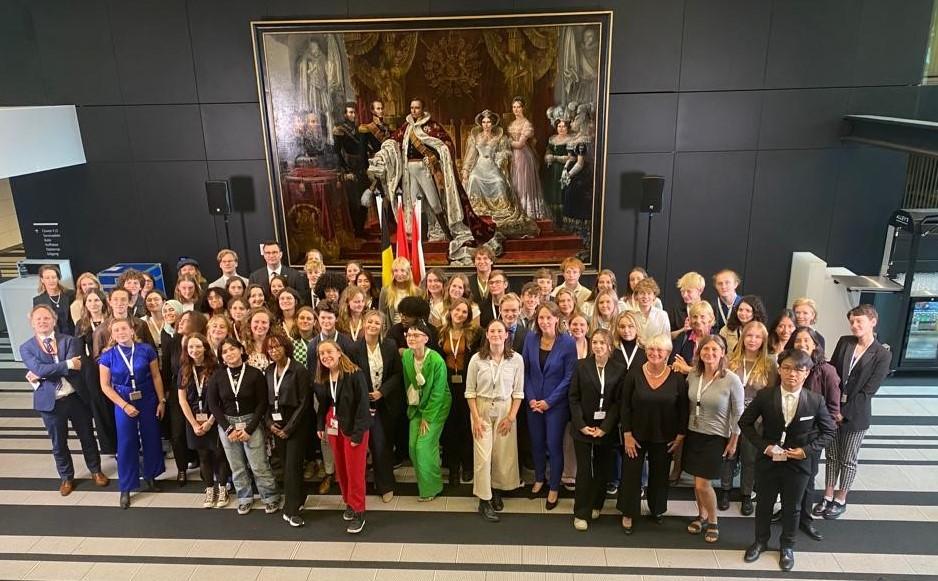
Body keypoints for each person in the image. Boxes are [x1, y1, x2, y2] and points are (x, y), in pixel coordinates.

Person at [740, 349, 836, 572]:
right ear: (780, 370)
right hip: (769, 461)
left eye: (799, 369)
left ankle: (787, 546)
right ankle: (760, 541)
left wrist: (806, 451)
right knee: (763, 505)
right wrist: (764, 446)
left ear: (807, 373)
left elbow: (829, 432)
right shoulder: (765, 395)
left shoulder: (815, 400)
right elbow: (745, 423)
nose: (792, 374)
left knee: (792, 508)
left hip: (798, 464)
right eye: (787, 368)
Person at [372, 97, 496, 264]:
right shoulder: (406, 127)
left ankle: (446, 232)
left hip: (424, 170)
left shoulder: (432, 126)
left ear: (422, 109)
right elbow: (393, 142)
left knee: (434, 202)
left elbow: (445, 146)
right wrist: (383, 154)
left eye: (417, 108)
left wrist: (434, 158)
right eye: (412, 107)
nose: (414, 110)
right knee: (414, 204)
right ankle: (419, 235)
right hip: (409, 171)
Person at [21, 305, 109, 496]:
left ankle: (96, 470)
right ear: (32, 323)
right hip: (50, 402)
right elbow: (47, 368)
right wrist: (65, 364)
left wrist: (46, 371)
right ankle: (66, 477)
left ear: (54, 320)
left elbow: (72, 369)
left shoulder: (70, 341)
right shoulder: (26, 347)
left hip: (75, 398)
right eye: (38, 319)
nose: (43, 322)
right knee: (59, 443)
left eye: (46, 318)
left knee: (87, 437)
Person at [820, 305, 890, 519]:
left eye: (859, 321)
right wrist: (832, 408)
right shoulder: (845, 342)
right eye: (852, 321)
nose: (854, 325)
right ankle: (828, 495)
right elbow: (832, 373)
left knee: (848, 457)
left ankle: (841, 498)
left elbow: (869, 390)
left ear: (873, 322)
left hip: (857, 413)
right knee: (832, 455)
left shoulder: (882, 354)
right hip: (834, 408)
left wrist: (844, 413)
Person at [619, 333, 688, 533]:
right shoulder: (634, 373)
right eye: (651, 349)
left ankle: (657, 509)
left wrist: (680, 436)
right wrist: (627, 434)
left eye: (660, 350)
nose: (654, 353)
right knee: (631, 474)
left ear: (668, 353)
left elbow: (683, 409)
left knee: (659, 475)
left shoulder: (676, 377)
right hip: (636, 435)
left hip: (665, 436)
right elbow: (625, 406)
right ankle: (628, 512)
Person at [207, 337, 281, 515]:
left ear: (241, 350)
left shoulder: (255, 374)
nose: (229, 354)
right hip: (228, 424)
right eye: (224, 352)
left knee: (258, 464)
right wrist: (228, 429)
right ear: (221, 357)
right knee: (237, 466)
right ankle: (244, 497)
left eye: (232, 349)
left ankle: (270, 496)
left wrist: (249, 429)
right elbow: (213, 405)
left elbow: (262, 403)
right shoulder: (217, 376)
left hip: (251, 422)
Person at [98, 318, 166, 508]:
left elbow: (156, 376)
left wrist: (161, 400)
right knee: (126, 442)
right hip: (123, 399)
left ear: (131, 329)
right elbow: (105, 386)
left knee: (151, 437)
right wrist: (124, 405)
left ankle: (151, 475)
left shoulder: (146, 350)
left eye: (123, 328)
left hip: (147, 397)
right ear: (112, 334)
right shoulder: (108, 356)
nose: (121, 332)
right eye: (116, 330)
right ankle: (126, 486)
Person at [683, 335, 744, 544]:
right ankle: (701, 515)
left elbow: (738, 413)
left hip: (716, 436)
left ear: (722, 353)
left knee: (703, 484)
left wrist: (734, 439)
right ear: (699, 353)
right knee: (695, 480)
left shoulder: (731, 379)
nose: (709, 354)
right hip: (694, 433)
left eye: (714, 350)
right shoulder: (693, 375)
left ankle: (714, 521)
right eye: (705, 349)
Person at [785, 326, 841, 539]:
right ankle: (789, 512)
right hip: (789, 433)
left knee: (807, 480)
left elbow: (834, 410)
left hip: (812, 437)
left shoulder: (826, 371)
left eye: (807, 341)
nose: (802, 345)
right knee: (788, 477)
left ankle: (805, 519)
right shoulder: (788, 366)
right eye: (798, 341)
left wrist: (817, 437)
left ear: (815, 345)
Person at [466, 319, 524, 522]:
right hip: (481, 408)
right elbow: (470, 392)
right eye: (492, 331)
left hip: (505, 409)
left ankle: (496, 490)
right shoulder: (476, 359)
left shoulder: (516, 359)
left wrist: (511, 417)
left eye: (500, 331)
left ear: (506, 335)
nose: (496, 334)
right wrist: (475, 418)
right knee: (483, 456)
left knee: (502, 454)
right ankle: (484, 499)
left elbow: (518, 393)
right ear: (487, 335)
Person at [522, 302, 577, 510]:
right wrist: (531, 398)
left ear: (557, 319)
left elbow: (569, 377)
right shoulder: (530, 338)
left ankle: (554, 486)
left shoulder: (568, 343)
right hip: (533, 402)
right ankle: (539, 478)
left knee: (554, 446)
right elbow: (525, 370)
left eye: (548, 318)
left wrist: (549, 402)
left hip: (556, 405)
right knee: (536, 443)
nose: (544, 322)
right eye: (541, 318)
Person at [569, 329, 625, 531]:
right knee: (584, 471)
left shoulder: (619, 369)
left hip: (605, 429)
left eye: (603, 343)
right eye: (595, 342)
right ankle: (581, 512)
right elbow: (573, 397)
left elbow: (618, 403)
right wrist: (581, 425)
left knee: (602, 469)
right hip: (582, 427)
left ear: (610, 346)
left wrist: (605, 427)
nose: (598, 346)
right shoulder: (581, 366)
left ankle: (596, 504)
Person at [313, 339, 371, 533]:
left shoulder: (355, 374)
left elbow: (364, 407)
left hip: (354, 427)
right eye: (322, 354)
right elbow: (324, 403)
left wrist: (357, 435)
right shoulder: (325, 376)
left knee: (355, 471)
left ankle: (359, 511)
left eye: (329, 352)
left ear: (339, 352)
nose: (326, 356)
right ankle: (349, 502)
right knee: (342, 469)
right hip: (333, 425)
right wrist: (321, 424)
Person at [721, 321, 778, 515]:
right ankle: (725, 490)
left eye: (757, 337)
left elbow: (770, 394)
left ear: (763, 340)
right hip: (731, 415)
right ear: (742, 338)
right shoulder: (730, 360)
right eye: (749, 336)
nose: (752, 340)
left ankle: (746, 494)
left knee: (749, 458)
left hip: (756, 420)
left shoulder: (770, 364)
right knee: (729, 454)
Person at [462, 109, 539, 239]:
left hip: (493, 166)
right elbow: (470, 156)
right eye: (484, 122)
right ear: (481, 124)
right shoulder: (475, 137)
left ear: (493, 124)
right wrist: (466, 170)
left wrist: (501, 157)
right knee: (474, 178)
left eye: (489, 122)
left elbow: (506, 152)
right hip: (479, 166)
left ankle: (500, 207)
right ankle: (477, 207)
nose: (486, 125)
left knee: (499, 181)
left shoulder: (500, 137)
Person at [350, 309, 401, 503]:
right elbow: (351, 377)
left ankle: (385, 484)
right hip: (362, 404)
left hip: (384, 403)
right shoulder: (355, 348)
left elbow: (397, 374)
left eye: (377, 323)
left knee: (381, 444)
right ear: (364, 324)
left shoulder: (389, 345)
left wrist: (382, 392)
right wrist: (365, 395)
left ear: (382, 327)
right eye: (370, 322)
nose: (373, 326)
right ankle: (358, 485)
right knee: (362, 446)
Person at [177, 333, 230, 509]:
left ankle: (223, 488)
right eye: (190, 347)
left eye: (198, 346)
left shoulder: (216, 368)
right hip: (193, 420)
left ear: (205, 347)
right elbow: (182, 399)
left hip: (214, 418)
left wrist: (210, 422)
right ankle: (209, 488)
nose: (194, 350)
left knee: (219, 454)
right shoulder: (184, 369)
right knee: (203, 456)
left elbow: (222, 399)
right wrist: (193, 423)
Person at [265, 332, 312, 527]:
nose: (274, 351)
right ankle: (299, 498)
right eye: (270, 348)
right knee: (286, 466)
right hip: (277, 424)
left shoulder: (298, 370)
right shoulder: (268, 371)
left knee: (292, 467)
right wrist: (269, 424)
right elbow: (265, 401)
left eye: (277, 346)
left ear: (286, 347)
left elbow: (304, 403)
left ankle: (290, 510)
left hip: (296, 425)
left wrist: (289, 428)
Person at [403, 321, 452, 501]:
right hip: (416, 406)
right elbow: (408, 384)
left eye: (416, 335)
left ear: (426, 338)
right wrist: (414, 408)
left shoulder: (436, 360)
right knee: (411, 447)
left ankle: (432, 487)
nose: (412, 338)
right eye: (409, 335)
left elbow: (439, 392)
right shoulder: (407, 356)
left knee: (423, 446)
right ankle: (425, 481)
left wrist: (427, 417)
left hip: (436, 408)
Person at [440, 298, 481, 485]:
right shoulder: (441, 332)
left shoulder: (475, 333)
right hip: (447, 383)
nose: (460, 314)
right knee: (450, 427)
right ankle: (453, 467)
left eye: (465, 312)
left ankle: (468, 465)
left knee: (466, 425)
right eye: (457, 310)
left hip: (468, 383)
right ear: (450, 311)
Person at [75, 289, 117, 455]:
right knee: (100, 407)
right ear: (85, 304)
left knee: (116, 405)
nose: (93, 304)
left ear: (103, 302)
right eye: (90, 301)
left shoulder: (111, 320)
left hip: (115, 366)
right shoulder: (82, 324)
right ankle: (110, 446)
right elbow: (78, 350)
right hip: (93, 369)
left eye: (96, 300)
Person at [508, 97, 550, 220]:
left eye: (518, 107)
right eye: (514, 107)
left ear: (523, 108)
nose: (516, 110)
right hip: (514, 156)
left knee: (523, 181)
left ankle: (526, 210)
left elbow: (520, 144)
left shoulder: (527, 124)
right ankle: (516, 209)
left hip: (523, 156)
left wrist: (507, 141)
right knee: (515, 181)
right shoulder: (512, 124)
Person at [671, 301, 715, 375]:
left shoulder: (716, 339)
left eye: (702, 316)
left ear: (711, 318)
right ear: (690, 319)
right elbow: (674, 363)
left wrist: (688, 369)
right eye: (695, 317)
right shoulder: (683, 337)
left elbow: (714, 370)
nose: (698, 320)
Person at [379, 256, 423, 325]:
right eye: (396, 271)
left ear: (408, 272)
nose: (399, 274)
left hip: (412, 331)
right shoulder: (385, 291)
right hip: (392, 331)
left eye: (402, 270)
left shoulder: (417, 292)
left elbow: (420, 315)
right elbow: (381, 315)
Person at [33, 264, 76, 335]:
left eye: (54, 277)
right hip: (54, 338)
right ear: (42, 280)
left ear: (58, 278)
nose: (51, 280)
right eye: (47, 278)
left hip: (74, 335)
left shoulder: (71, 294)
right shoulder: (38, 301)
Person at [626, 278, 670, 345]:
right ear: (636, 296)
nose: (645, 296)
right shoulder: (630, 315)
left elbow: (666, 340)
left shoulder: (662, 315)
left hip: (655, 352)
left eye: (649, 293)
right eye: (642, 293)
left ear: (654, 296)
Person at [669, 272, 705, 339]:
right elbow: (668, 336)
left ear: (700, 291)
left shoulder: (708, 309)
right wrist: (683, 330)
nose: (685, 295)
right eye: (682, 291)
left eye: (689, 291)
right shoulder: (676, 310)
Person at [244, 308, 274, 372]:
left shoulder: (276, 345)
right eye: (256, 322)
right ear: (250, 324)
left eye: (264, 322)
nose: (260, 326)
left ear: (269, 325)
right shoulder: (243, 346)